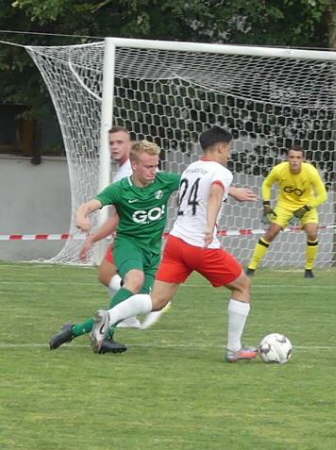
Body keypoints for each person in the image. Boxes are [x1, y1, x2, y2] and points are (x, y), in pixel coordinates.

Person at [89, 126, 259, 362]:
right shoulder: (221, 171)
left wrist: (232, 193)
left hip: (176, 243)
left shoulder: (191, 168)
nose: (229, 154)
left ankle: (109, 316)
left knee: (156, 301)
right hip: (201, 246)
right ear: (220, 147)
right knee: (243, 287)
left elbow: (192, 194)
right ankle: (234, 349)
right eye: (228, 149)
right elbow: (215, 194)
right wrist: (209, 226)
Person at [49, 140, 182, 353]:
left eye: (155, 165)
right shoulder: (120, 189)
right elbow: (90, 205)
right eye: (148, 166)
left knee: (143, 301)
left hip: (153, 250)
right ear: (134, 165)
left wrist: (230, 190)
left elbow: (198, 182)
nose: (153, 171)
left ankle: (74, 330)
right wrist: (81, 216)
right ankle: (105, 336)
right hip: (128, 245)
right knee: (134, 281)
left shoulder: (164, 181)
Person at [79, 126, 168, 329]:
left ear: (130, 145)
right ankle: (129, 315)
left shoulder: (131, 172)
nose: (115, 147)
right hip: (130, 235)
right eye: (111, 143)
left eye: (120, 142)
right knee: (107, 275)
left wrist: (93, 238)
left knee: (117, 277)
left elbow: (117, 218)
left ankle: (131, 312)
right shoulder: (126, 171)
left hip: (134, 237)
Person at [246, 144, 328, 278]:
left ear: (303, 159)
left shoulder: (311, 171)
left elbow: (323, 195)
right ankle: (251, 267)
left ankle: (309, 269)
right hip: (285, 205)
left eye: (298, 157)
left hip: (306, 206)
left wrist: (305, 208)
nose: (295, 160)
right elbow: (267, 184)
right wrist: (266, 204)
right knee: (271, 233)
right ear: (287, 158)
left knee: (312, 232)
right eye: (291, 157)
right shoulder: (279, 170)